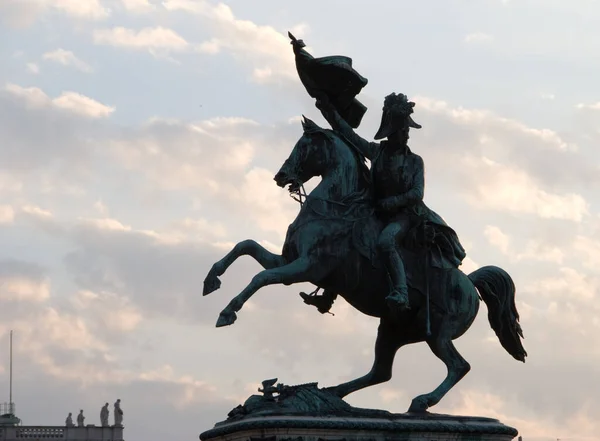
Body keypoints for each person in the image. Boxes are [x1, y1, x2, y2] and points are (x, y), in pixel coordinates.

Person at [315, 92, 425, 312]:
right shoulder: (378, 152)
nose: (407, 135)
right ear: (392, 132)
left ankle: (401, 291)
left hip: (404, 216)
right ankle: (328, 294)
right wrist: (327, 110)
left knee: (386, 241)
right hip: (376, 212)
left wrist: (393, 202)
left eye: (407, 131)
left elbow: (417, 192)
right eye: (403, 130)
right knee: (344, 232)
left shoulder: (414, 161)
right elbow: (349, 134)